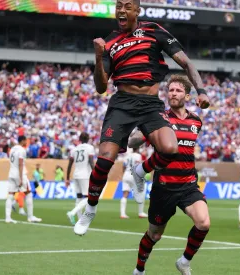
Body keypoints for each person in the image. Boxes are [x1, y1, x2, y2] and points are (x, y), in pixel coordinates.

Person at [74, 0, 210, 236]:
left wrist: (202, 91)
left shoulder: (153, 30)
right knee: (105, 159)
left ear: (137, 10)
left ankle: (139, 172)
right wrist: (98, 57)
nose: (121, 10)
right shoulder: (110, 42)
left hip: (150, 104)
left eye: (127, 6)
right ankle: (90, 208)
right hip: (123, 104)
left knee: (170, 148)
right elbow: (100, 87)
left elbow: (186, 62)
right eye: (118, 6)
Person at [127, 75, 209, 275]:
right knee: (154, 235)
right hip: (163, 187)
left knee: (203, 223)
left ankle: (184, 261)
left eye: (178, 90)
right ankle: (139, 270)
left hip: (188, 184)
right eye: (171, 90)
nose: (173, 93)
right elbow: (132, 142)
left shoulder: (196, 121)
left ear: (187, 96)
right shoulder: (160, 118)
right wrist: (144, 131)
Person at [6, 136, 42, 224]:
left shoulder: (12, 149)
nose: (27, 142)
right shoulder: (22, 150)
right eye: (26, 141)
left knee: (10, 196)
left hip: (11, 174)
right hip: (19, 174)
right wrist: (21, 178)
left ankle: (8, 218)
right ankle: (30, 217)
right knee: (29, 194)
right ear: (22, 141)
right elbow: (21, 164)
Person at [66, 133, 95, 225]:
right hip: (85, 175)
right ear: (88, 139)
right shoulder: (90, 148)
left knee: (79, 197)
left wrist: (67, 178)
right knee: (88, 198)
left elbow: (70, 164)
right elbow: (91, 162)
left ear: (79, 139)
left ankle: (79, 220)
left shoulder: (74, 149)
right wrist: (96, 173)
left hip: (76, 175)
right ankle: (72, 213)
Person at [121, 145, 148, 219]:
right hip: (134, 175)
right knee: (141, 193)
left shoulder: (127, 156)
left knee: (125, 194)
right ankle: (141, 212)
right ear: (138, 148)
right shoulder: (139, 156)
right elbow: (140, 167)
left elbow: (123, 166)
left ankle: (123, 214)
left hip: (126, 174)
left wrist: (124, 173)